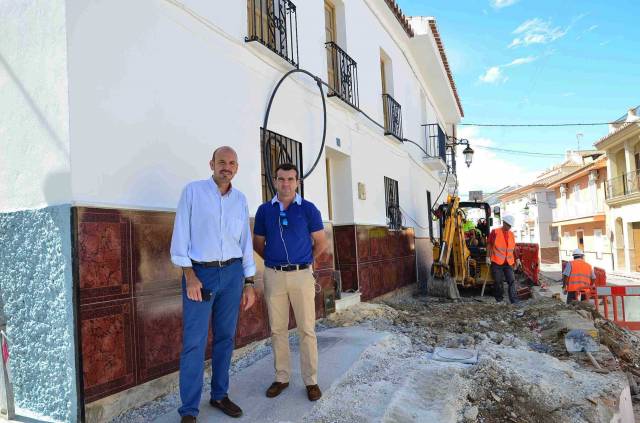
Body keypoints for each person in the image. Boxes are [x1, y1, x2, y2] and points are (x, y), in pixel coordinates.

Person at [170, 146, 257, 422]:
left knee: (225, 338)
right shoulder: (193, 192)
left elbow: (244, 243)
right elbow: (181, 235)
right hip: (200, 276)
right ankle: (189, 410)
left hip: (232, 275)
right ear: (211, 164)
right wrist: (189, 275)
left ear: (237, 168)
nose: (226, 167)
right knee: (194, 343)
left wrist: (249, 281)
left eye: (232, 163)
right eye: (222, 162)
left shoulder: (240, 200)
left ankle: (219, 394)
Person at [252, 163, 329, 402]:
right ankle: (282, 377)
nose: (285, 184)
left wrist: (305, 262)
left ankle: (311, 381)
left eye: (290, 179)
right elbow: (257, 243)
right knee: (277, 330)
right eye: (281, 179)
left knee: (306, 329)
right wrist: (275, 263)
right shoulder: (265, 210)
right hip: (274, 276)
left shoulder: (308, 209)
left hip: (302, 275)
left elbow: (321, 242)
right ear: (274, 181)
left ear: (297, 182)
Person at [487, 215, 518, 304]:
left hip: (508, 262)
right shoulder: (495, 232)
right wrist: (487, 257)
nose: (509, 227)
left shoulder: (511, 234)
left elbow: (513, 247)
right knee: (498, 281)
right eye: (508, 225)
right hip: (497, 262)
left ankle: (514, 300)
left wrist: (517, 258)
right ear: (503, 223)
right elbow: (489, 245)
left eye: (510, 226)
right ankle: (499, 299)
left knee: (511, 280)